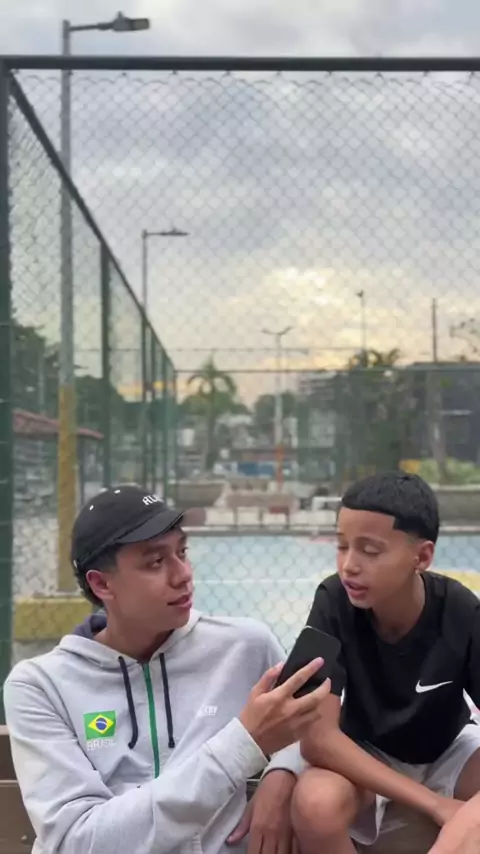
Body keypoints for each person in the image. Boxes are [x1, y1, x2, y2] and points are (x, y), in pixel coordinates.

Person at [4, 485, 330, 854]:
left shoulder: (245, 646)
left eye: (182, 552)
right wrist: (243, 744)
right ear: (102, 583)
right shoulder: (40, 687)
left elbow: (316, 721)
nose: (183, 574)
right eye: (156, 562)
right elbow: (78, 842)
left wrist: (282, 774)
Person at [291, 471, 480, 854]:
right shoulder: (332, 602)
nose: (349, 565)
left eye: (370, 551)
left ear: (421, 556)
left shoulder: (462, 610)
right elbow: (317, 739)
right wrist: (435, 804)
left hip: (450, 749)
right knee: (315, 804)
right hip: (367, 750)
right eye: (342, 546)